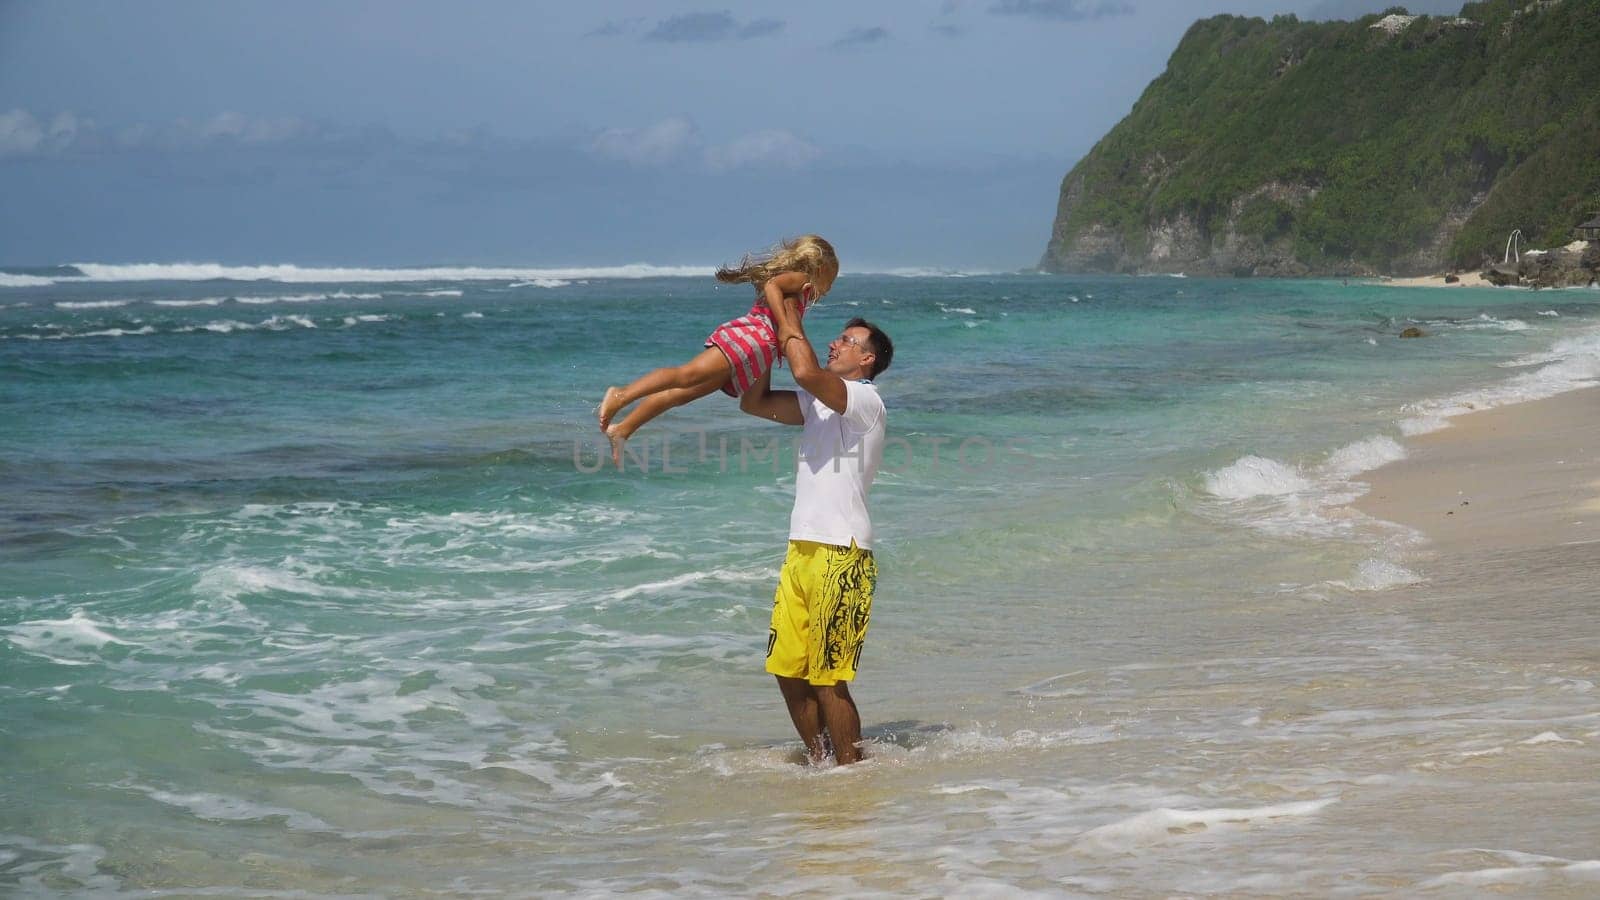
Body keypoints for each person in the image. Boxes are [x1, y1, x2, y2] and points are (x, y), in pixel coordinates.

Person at [738, 301, 894, 765]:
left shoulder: (865, 400)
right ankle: (820, 764)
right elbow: (754, 402)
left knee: (829, 677)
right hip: (801, 551)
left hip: (843, 553)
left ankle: (851, 773)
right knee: (787, 670)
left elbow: (806, 373)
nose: (836, 342)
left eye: (848, 341)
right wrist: (766, 340)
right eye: (839, 337)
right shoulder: (818, 407)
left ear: (867, 360)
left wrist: (784, 312)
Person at [597, 235, 839, 467]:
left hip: (759, 350)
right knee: (686, 375)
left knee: (683, 393)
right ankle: (621, 395)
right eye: (831, 278)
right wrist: (785, 326)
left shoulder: (802, 290)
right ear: (819, 267)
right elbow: (771, 285)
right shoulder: (802, 278)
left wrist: (781, 338)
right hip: (749, 339)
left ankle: (623, 429)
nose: (829, 287)